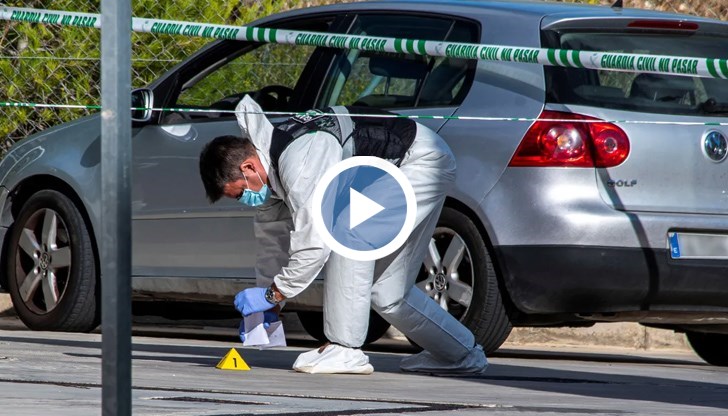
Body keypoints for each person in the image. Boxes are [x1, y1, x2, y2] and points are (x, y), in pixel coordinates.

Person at [198, 95, 487, 375]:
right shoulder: (271, 175)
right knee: (388, 293)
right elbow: (273, 245)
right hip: (404, 168)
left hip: (419, 162)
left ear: (248, 167)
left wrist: (273, 293)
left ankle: (345, 349)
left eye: (240, 193)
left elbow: (314, 243)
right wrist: (270, 305)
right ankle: (460, 354)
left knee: (348, 232)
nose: (245, 200)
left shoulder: (299, 158)